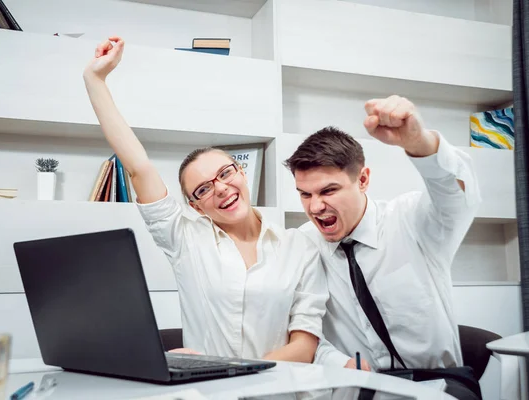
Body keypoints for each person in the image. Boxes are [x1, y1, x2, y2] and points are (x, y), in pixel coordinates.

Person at [82, 36, 328, 363]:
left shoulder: (299, 247)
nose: (221, 188)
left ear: (241, 171)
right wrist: (94, 79)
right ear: (195, 206)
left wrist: (251, 375)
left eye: (225, 173)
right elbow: (138, 167)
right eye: (203, 189)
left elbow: (305, 345)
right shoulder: (185, 238)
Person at [283, 95, 482, 400]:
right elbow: (305, 329)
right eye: (304, 194)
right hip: (359, 389)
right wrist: (339, 362)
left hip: (434, 386)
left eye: (328, 190)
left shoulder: (412, 219)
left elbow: (456, 194)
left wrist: (420, 143)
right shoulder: (304, 242)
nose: (315, 206)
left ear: (362, 179)